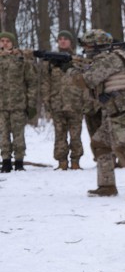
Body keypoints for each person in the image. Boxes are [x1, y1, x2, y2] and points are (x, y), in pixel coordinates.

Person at [72, 30, 125, 200]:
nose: (86, 49)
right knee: (100, 143)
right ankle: (107, 185)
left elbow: (87, 81)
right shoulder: (109, 58)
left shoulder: (110, 59)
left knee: (123, 149)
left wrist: (73, 70)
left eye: (88, 46)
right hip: (115, 111)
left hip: (123, 111)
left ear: (97, 46)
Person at [40, 30, 88, 170]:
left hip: (75, 103)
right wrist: (47, 101)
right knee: (59, 134)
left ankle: (75, 161)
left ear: (70, 42)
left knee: (76, 135)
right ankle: (62, 162)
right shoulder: (50, 61)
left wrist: (85, 101)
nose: (62, 41)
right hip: (57, 103)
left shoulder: (78, 60)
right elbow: (45, 83)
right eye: (60, 39)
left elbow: (86, 82)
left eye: (65, 39)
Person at [0, 31, 38, 172]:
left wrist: (31, 103)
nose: (5, 43)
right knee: (3, 135)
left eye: (7, 41)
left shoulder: (21, 60)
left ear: (12, 43)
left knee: (18, 135)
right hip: (1, 105)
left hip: (18, 104)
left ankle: (19, 161)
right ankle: (5, 161)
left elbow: (31, 82)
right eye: (2, 40)